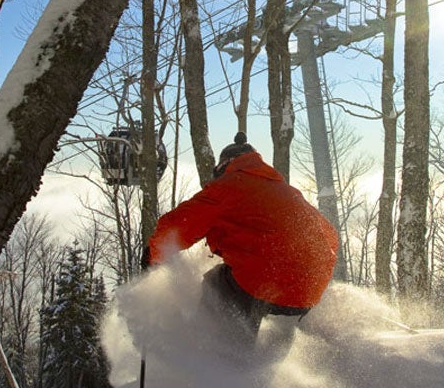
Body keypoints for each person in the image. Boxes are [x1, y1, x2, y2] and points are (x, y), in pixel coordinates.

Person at [145, 132, 338, 346]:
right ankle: (275, 360)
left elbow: (179, 224)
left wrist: (154, 255)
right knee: (248, 285)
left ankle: (223, 358)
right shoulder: (287, 191)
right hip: (311, 288)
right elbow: (330, 235)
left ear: (224, 166)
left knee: (216, 284)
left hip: (266, 280)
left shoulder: (230, 185)